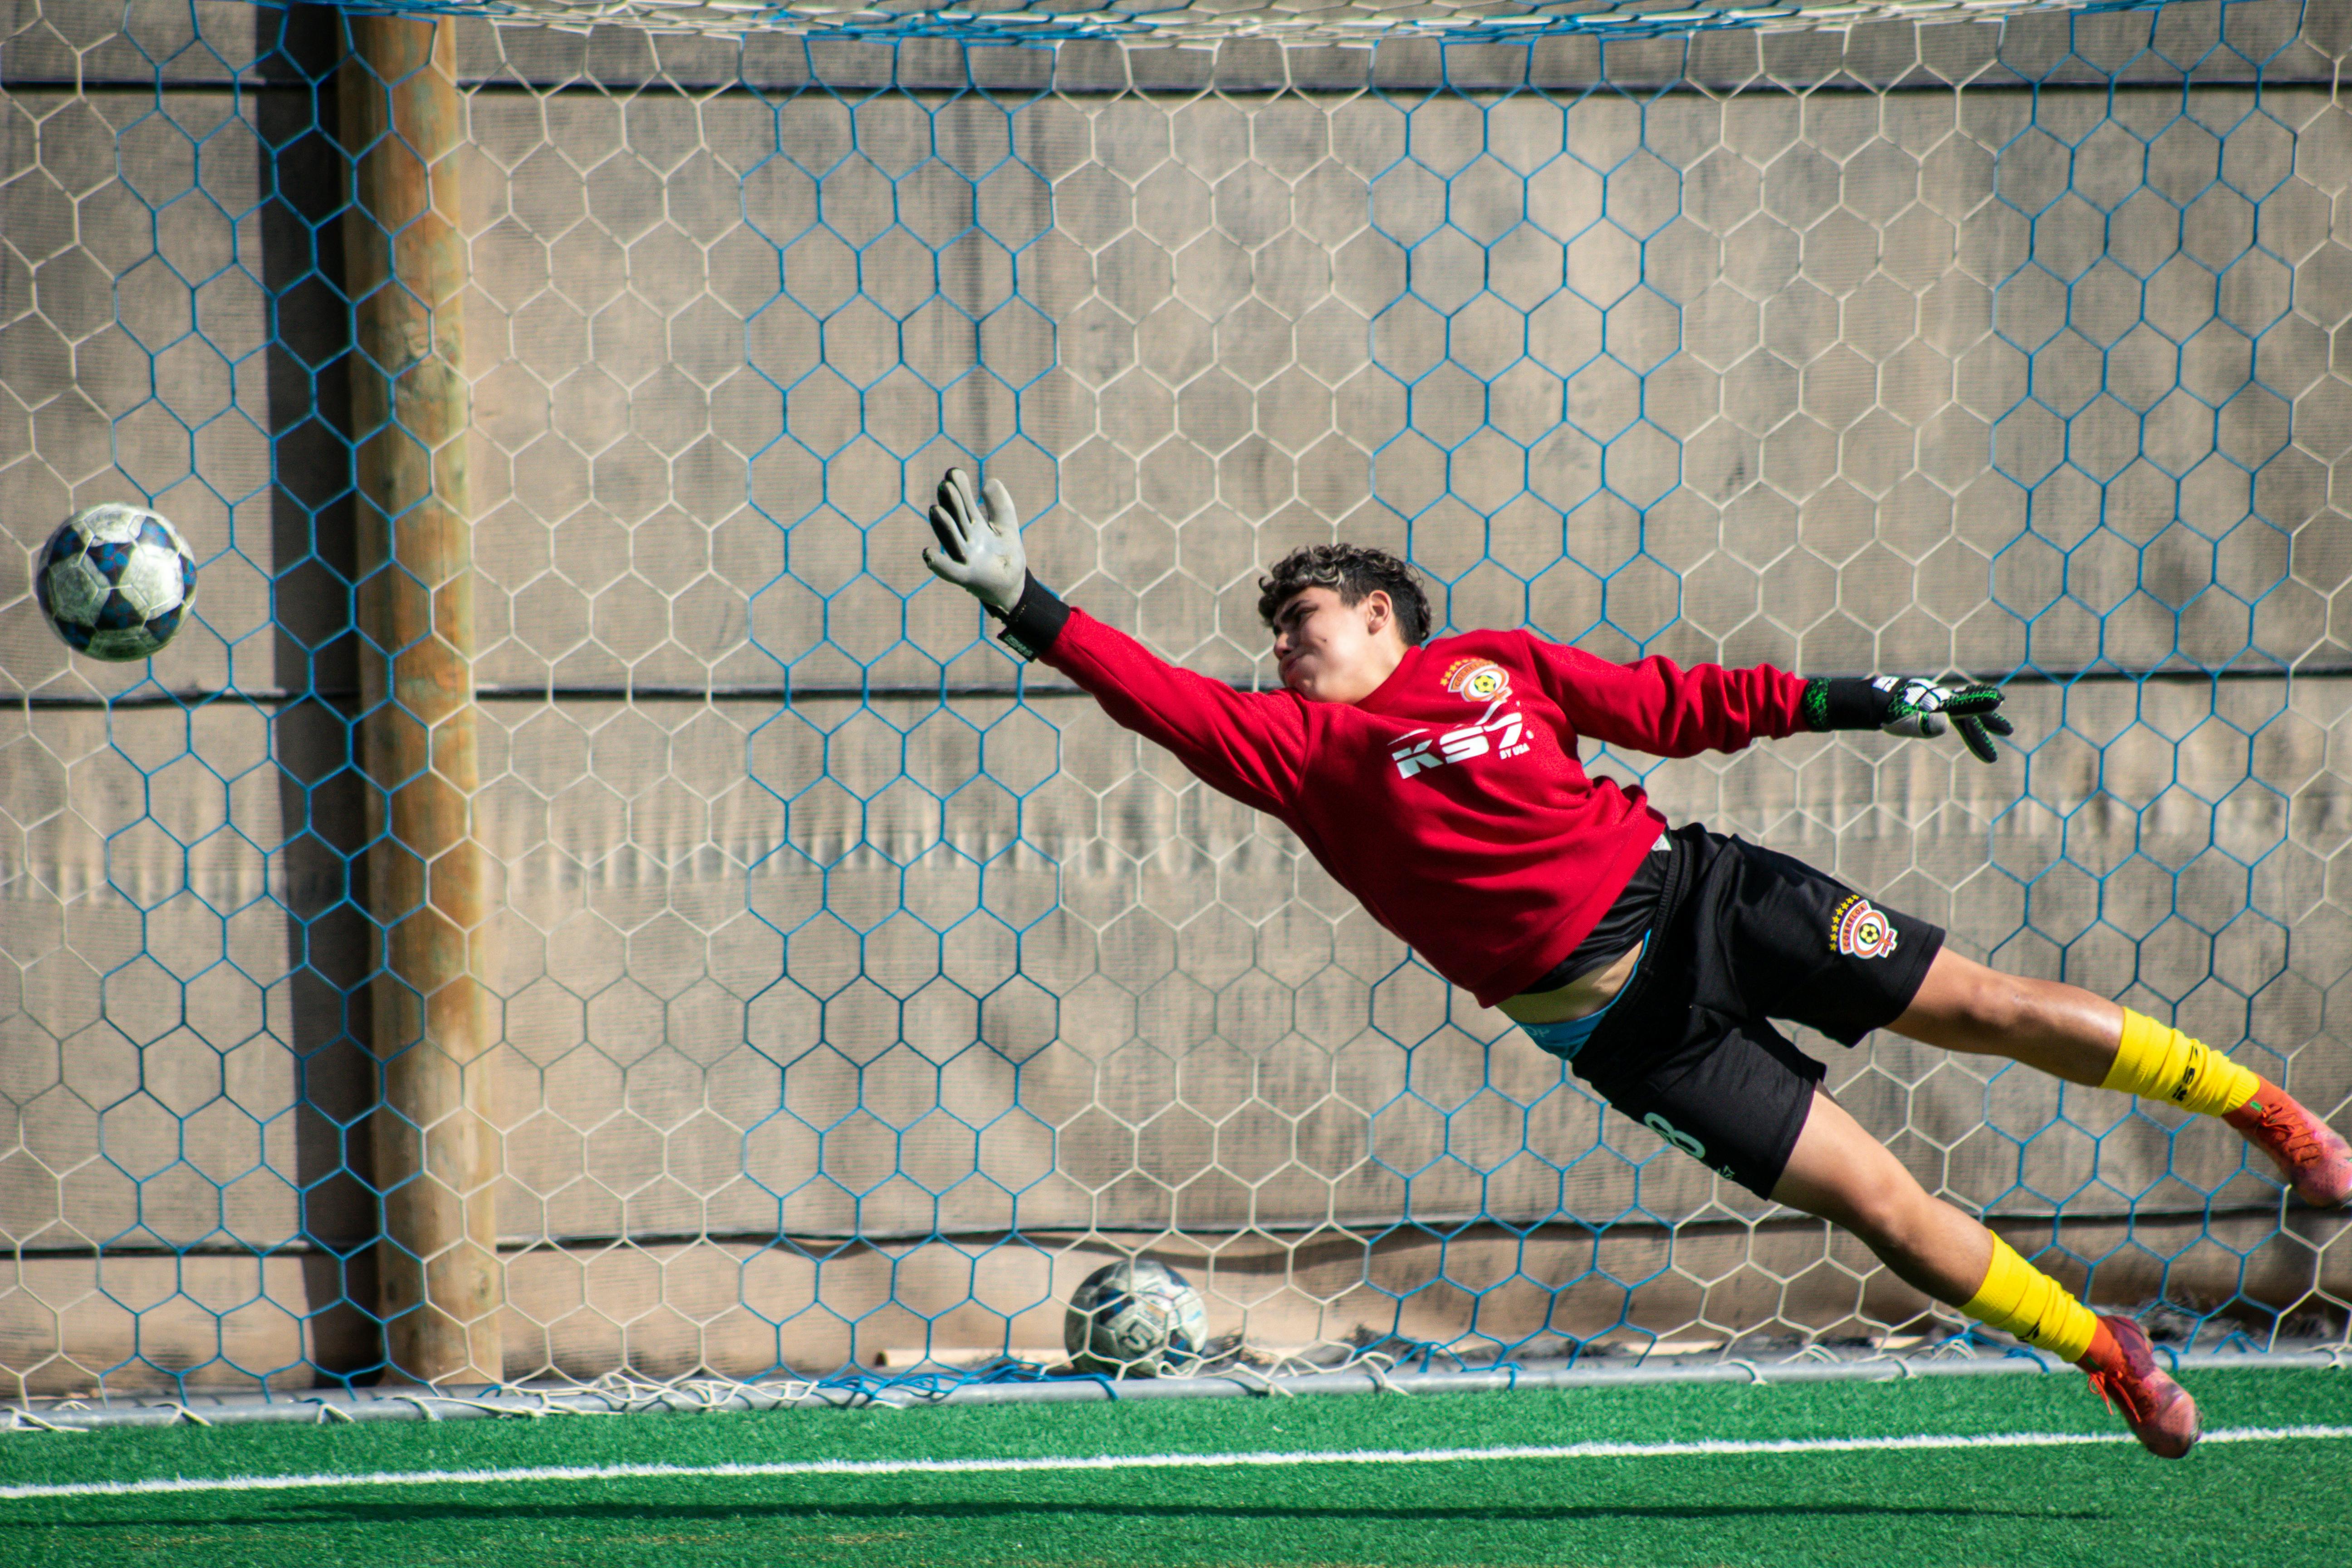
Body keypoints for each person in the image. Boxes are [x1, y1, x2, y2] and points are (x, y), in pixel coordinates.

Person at [920, 467, 2352, 1459]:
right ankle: (2104, 1355)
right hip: (1633, 1036)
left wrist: (1872, 701)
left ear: (1379, 618)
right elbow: (1153, 696)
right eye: (1274, 637)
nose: (1282, 650)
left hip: (1717, 898)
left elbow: (1678, 705)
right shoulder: (1297, 754)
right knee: (1882, 1207)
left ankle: (2269, 1118)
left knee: (1992, 1007)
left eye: (1300, 624)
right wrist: (1026, 601)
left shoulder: (1495, 665)